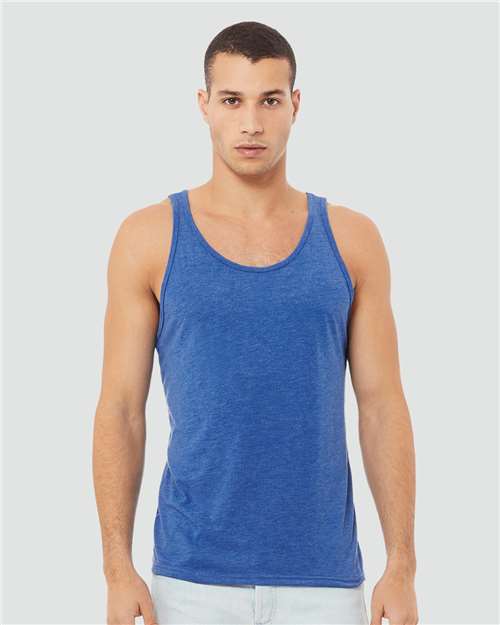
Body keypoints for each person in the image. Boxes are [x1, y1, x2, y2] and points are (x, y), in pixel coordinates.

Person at [92, 20, 419, 625]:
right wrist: (117, 567)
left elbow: (381, 407)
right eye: (231, 100)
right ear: (204, 105)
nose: (250, 123)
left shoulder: (352, 241)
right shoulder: (148, 239)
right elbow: (120, 409)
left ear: (295, 106)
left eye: (269, 100)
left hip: (324, 582)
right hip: (190, 581)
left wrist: (401, 565)